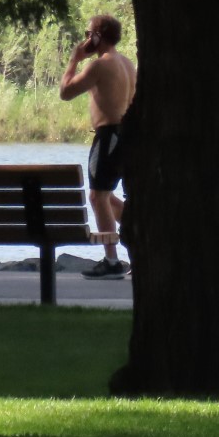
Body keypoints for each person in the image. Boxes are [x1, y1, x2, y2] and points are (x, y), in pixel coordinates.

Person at [60, 14, 137, 279]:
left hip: (109, 136)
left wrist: (74, 60)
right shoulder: (127, 63)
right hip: (128, 135)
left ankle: (111, 261)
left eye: (88, 34)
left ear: (97, 36)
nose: (84, 39)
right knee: (107, 197)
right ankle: (138, 239)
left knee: (97, 196)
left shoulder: (99, 65)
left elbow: (66, 92)